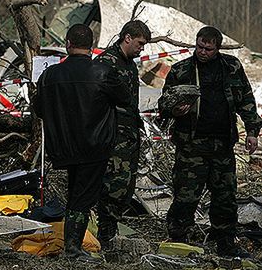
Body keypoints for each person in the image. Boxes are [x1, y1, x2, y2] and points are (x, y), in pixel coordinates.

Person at [159, 26, 262, 257]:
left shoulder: (231, 67)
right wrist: (175, 110)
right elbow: (163, 105)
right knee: (186, 196)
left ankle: (225, 241)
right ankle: (178, 238)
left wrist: (253, 131)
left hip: (222, 145)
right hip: (191, 146)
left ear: (217, 48)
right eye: (199, 47)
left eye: (208, 48)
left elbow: (246, 100)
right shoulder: (182, 70)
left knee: (225, 197)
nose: (202, 52)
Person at [34, 24, 130, 261]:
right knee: (82, 199)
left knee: (76, 194)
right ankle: (73, 248)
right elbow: (126, 98)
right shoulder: (103, 72)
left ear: (68, 44)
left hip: (63, 146)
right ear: (92, 46)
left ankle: (73, 244)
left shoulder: (49, 75)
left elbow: (38, 108)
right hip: (94, 145)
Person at [94, 20, 151, 248]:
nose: (142, 48)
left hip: (128, 136)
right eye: (140, 43)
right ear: (127, 38)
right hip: (112, 136)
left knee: (124, 186)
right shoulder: (106, 63)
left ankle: (110, 231)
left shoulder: (130, 64)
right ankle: (105, 234)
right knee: (112, 186)